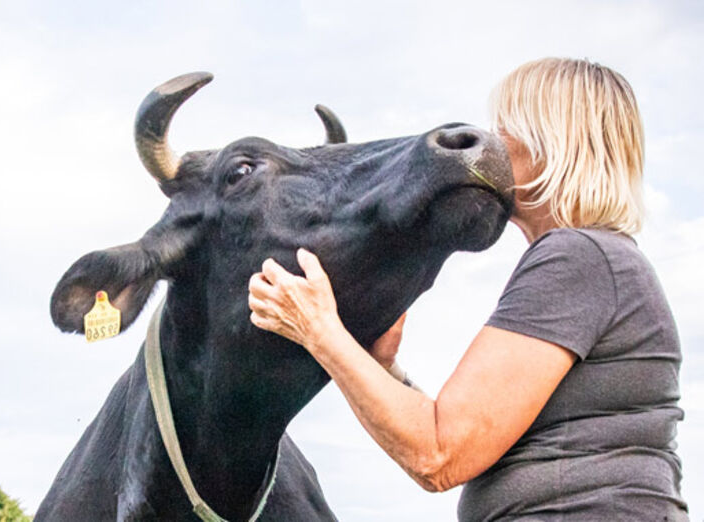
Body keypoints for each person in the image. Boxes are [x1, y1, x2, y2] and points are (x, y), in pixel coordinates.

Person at [247, 58, 689, 520]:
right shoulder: (598, 261)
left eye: (506, 128)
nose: (492, 143)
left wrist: (317, 329)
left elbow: (438, 455)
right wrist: (384, 369)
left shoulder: (579, 256)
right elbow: (462, 433)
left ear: (552, 141)